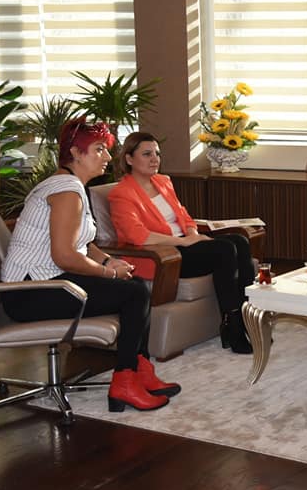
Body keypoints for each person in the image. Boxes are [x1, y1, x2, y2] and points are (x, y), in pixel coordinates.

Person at [0, 119, 179, 413]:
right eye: (99, 149)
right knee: (134, 293)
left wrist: (109, 260)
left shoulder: (70, 185)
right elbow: (65, 255)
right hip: (29, 293)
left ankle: (137, 370)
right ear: (75, 152)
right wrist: (108, 273)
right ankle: (125, 381)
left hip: (48, 282)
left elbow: (81, 242)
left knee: (134, 286)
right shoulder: (66, 192)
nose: (107, 156)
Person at [108, 132, 255, 354]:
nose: (155, 159)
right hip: (165, 257)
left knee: (240, 241)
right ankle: (233, 326)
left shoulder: (163, 181)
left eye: (157, 153)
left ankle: (246, 318)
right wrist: (184, 242)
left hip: (186, 245)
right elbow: (138, 235)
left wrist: (192, 234)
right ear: (129, 159)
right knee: (224, 250)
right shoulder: (121, 193)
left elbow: (184, 217)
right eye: (147, 154)